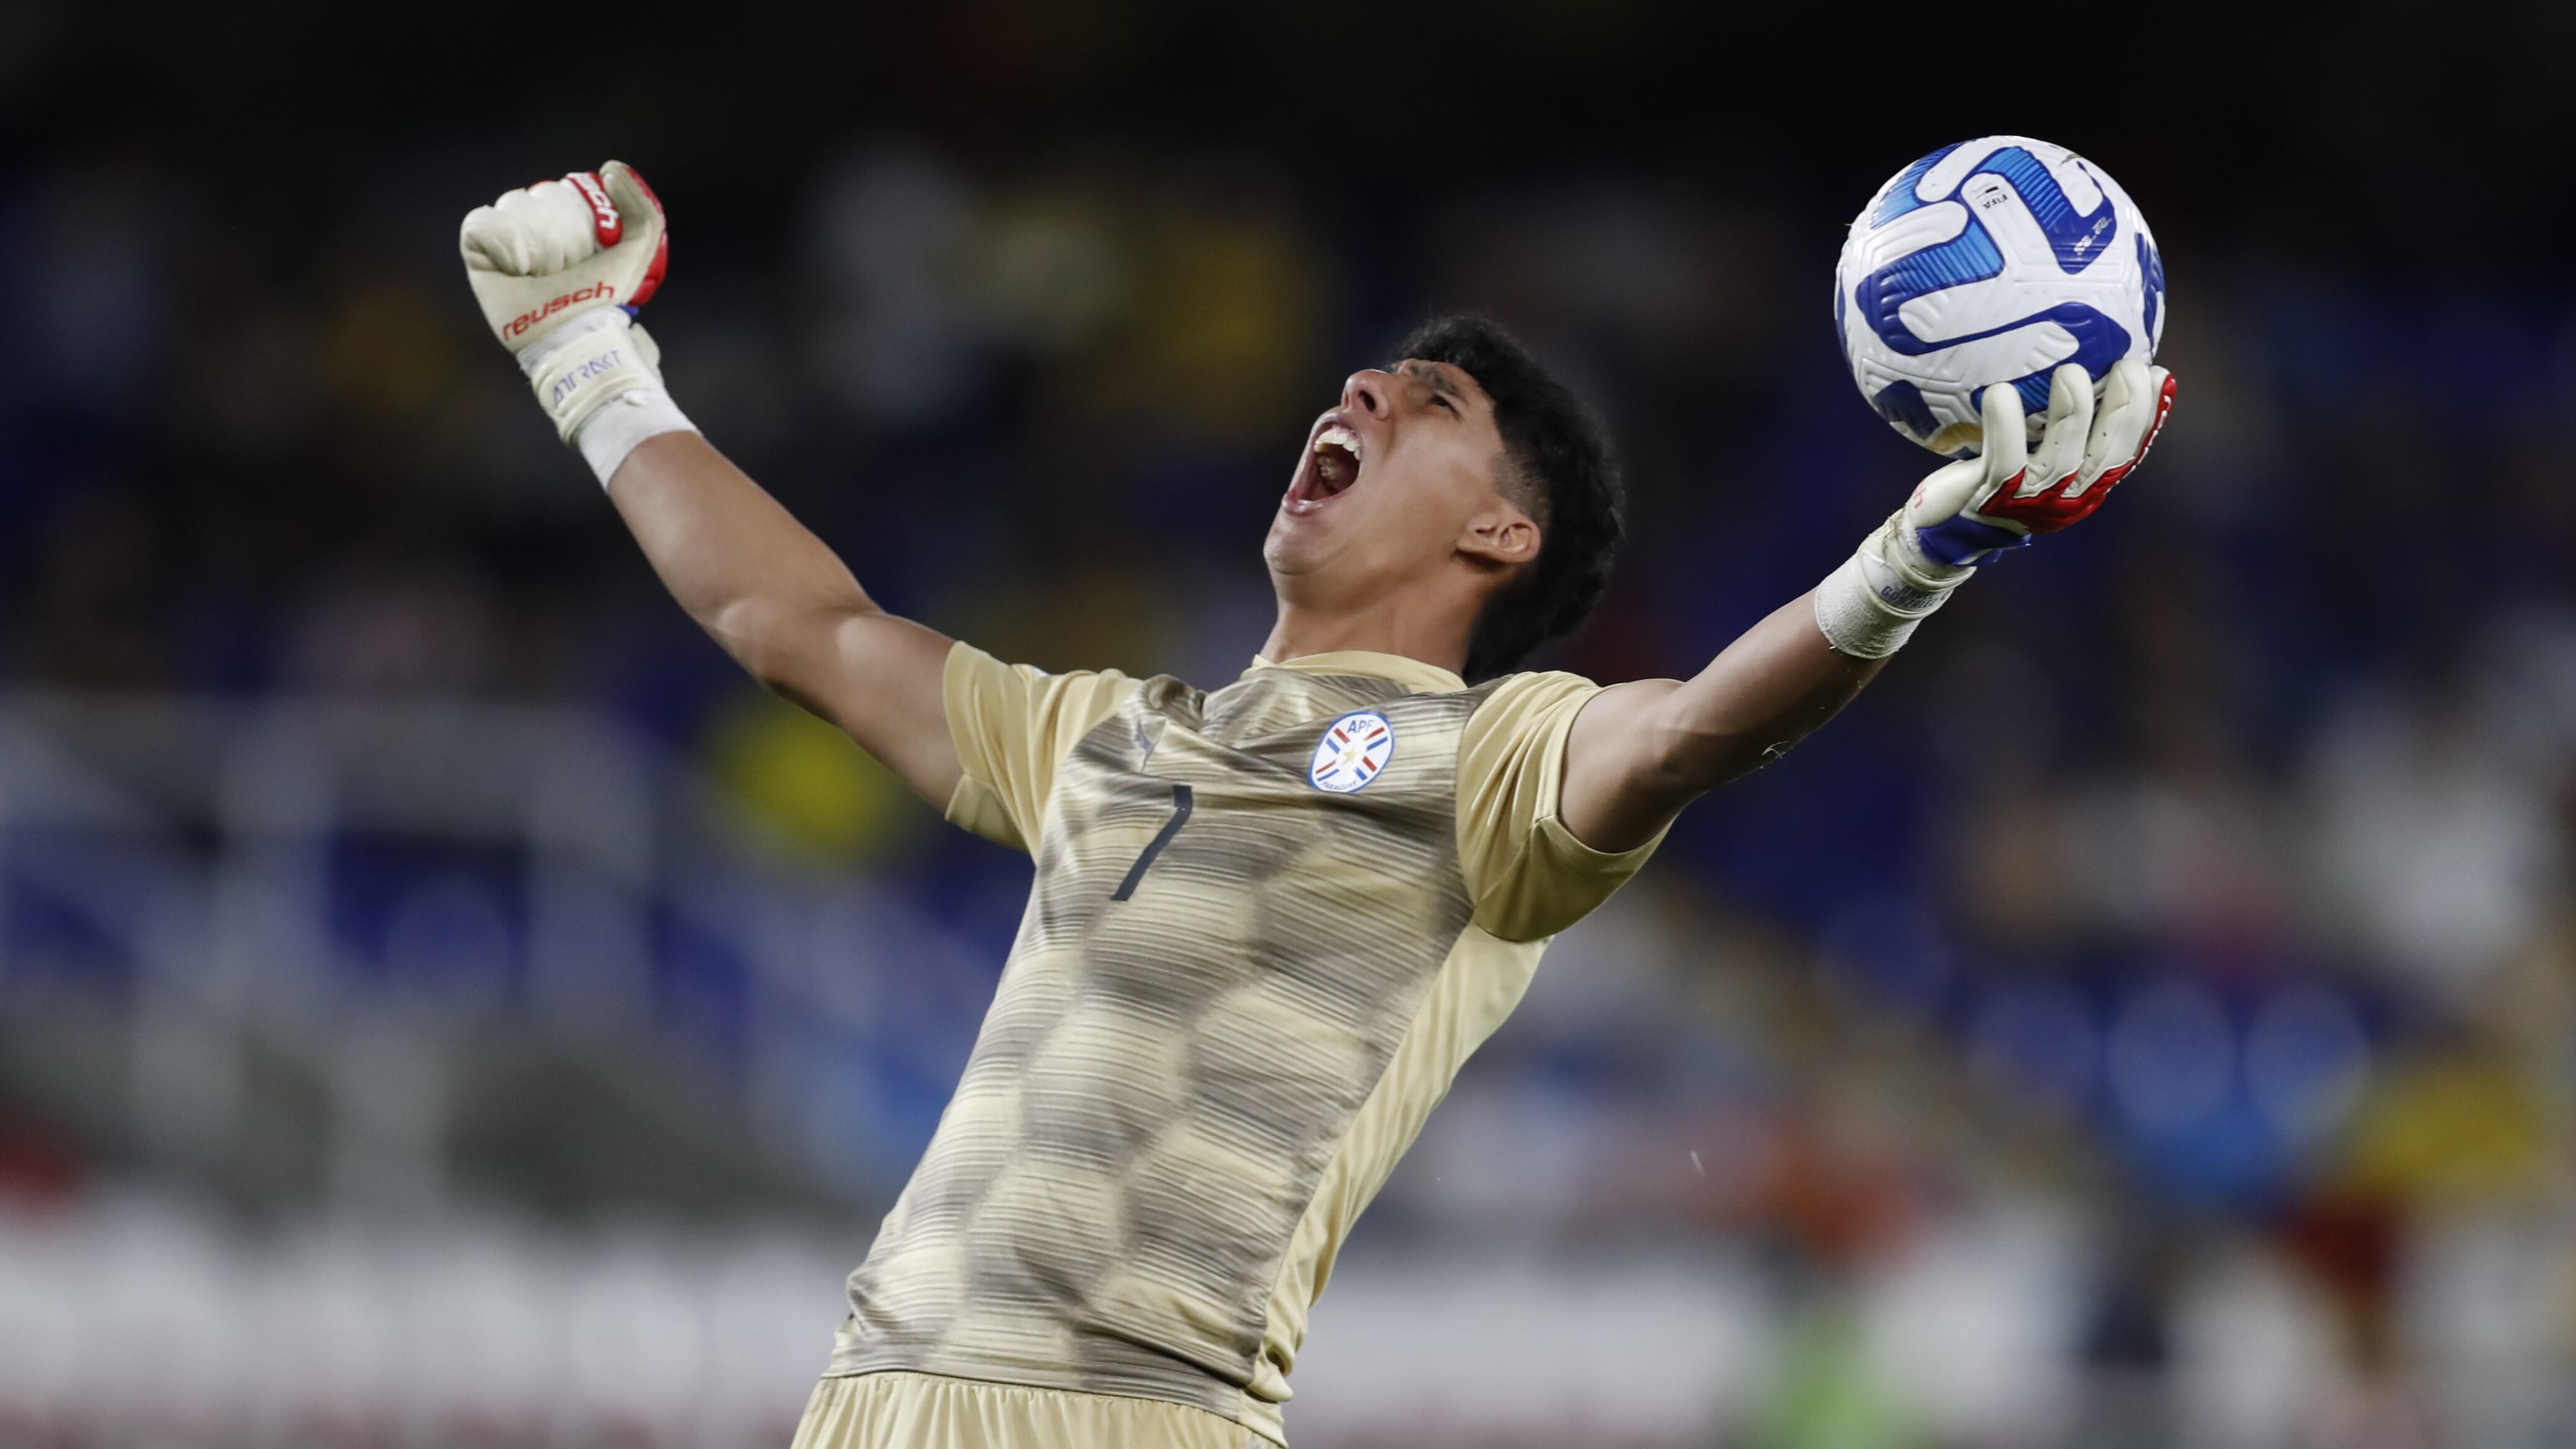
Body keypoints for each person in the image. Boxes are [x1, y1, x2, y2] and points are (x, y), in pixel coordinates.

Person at [458, 163, 2173, 1449]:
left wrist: (1918, 554)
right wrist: (586, 356)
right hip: (871, 1403)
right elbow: (802, 629)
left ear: (1500, 535)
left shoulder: (1489, 762)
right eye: (1366, 380)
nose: (1356, 393)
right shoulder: (1105, 736)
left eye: (1430, 405)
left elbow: (1690, 731)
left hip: (1139, 1413)